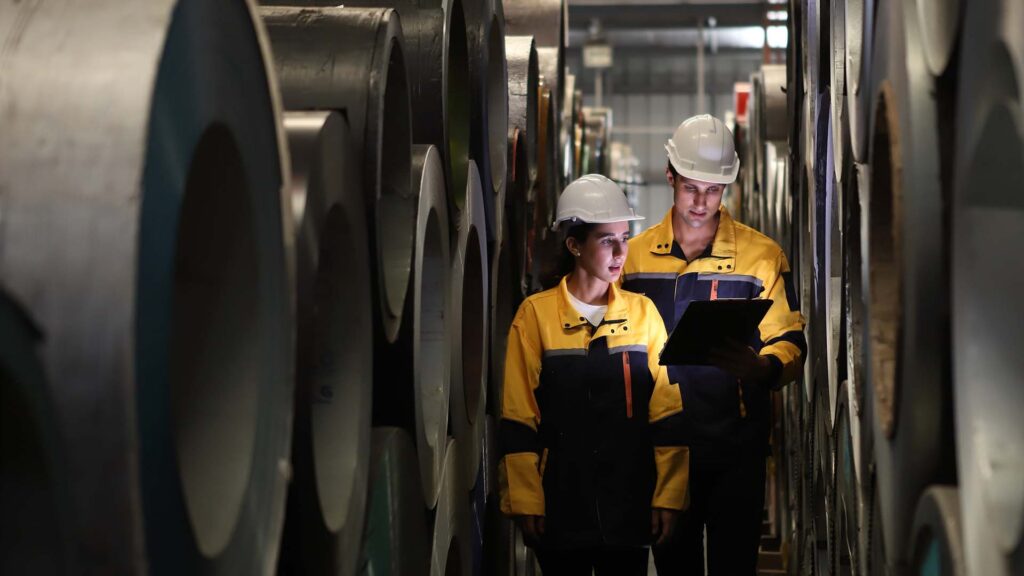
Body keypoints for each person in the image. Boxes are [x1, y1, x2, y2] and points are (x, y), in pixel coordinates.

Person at [622, 115, 806, 575]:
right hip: (662, 453)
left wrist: (761, 367)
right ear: (670, 176)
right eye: (691, 188)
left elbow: (790, 340)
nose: (702, 202)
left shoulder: (761, 256)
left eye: (714, 190)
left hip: (735, 451)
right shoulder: (633, 257)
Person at [498, 174, 690, 576]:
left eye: (625, 237)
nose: (622, 251)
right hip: (561, 506)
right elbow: (519, 416)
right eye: (607, 240)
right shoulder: (535, 317)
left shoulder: (643, 314)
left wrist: (669, 495)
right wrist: (527, 498)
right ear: (574, 245)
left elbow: (668, 413)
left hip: (629, 505)